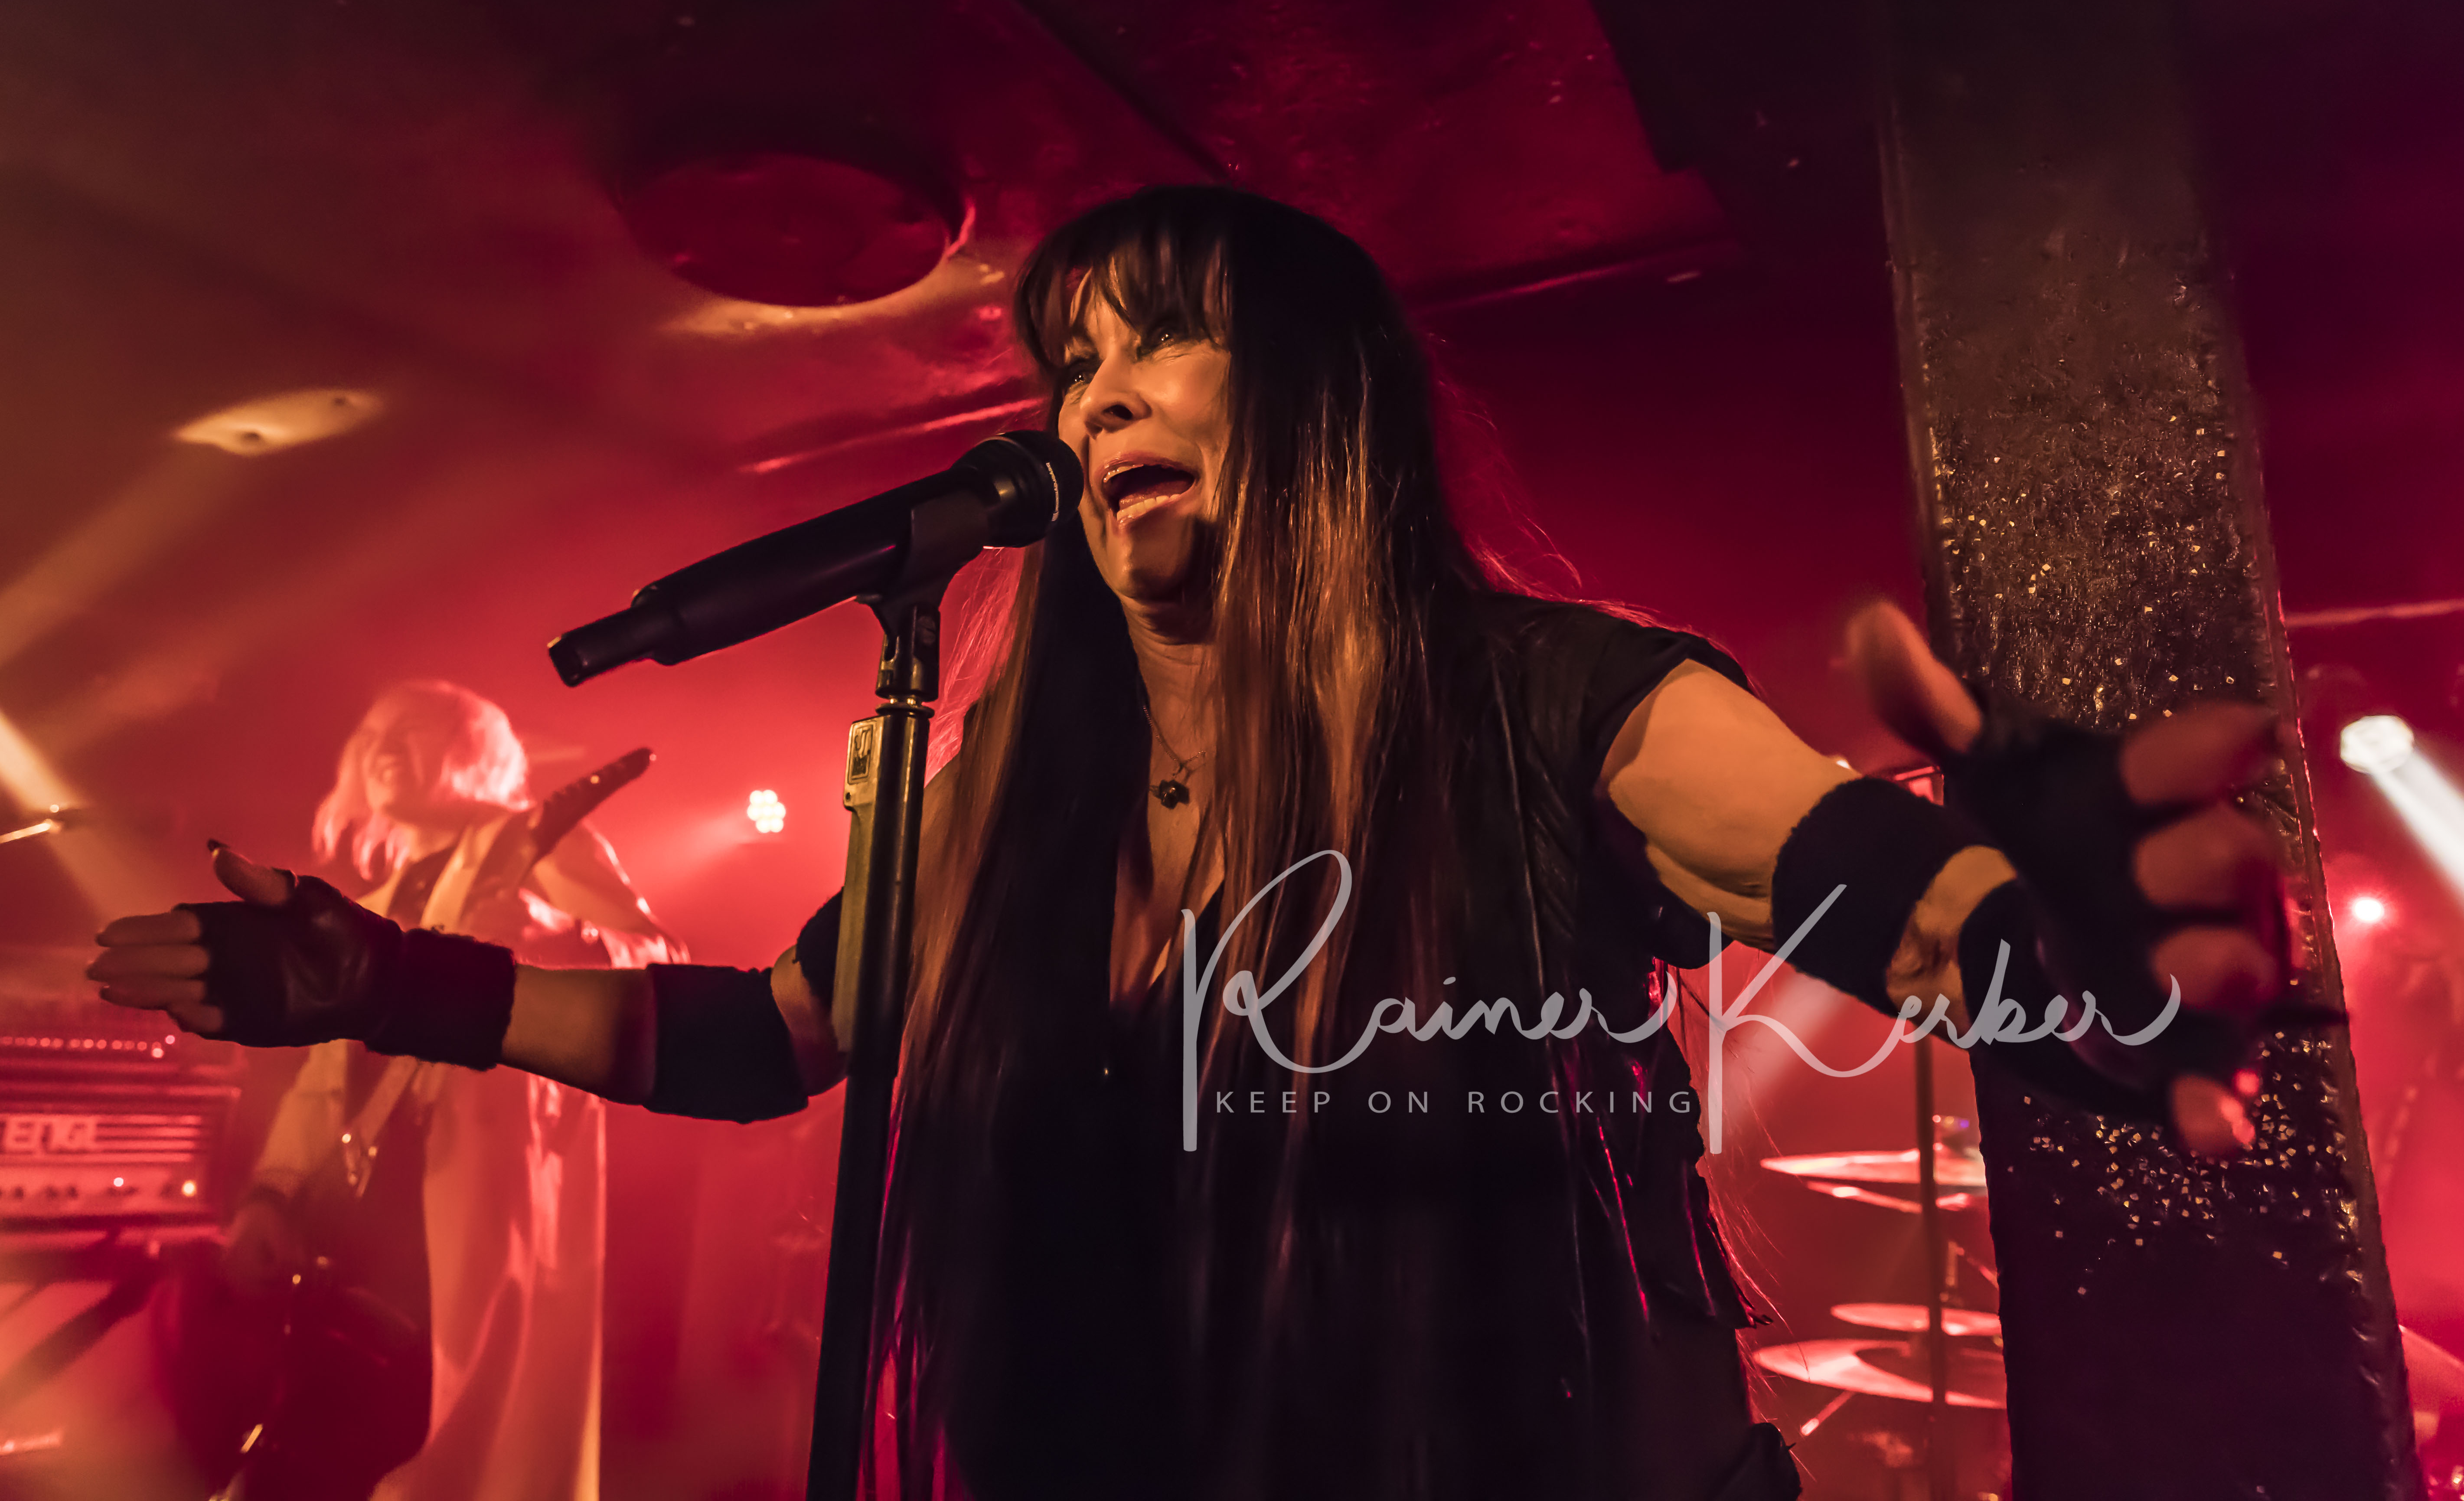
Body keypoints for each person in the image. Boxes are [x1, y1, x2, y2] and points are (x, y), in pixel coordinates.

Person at [93, 187, 2290, 1501]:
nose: (1099, 398)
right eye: (1077, 368)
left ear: (1319, 401)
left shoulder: (1555, 695)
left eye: (1165, 344)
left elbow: (1865, 884)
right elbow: (768, 1034)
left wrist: (2060, 935)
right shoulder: (1014, 790)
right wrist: (391, 981)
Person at [213, 680, 679, 1501]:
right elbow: (325, 1075)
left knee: (456, 1442)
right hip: (358, 1217)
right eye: (375, 733)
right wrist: (271, 1193)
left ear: (476, 748)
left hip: (474, 1200)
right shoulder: (371, 905)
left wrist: (561, 930)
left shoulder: (539, 847)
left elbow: (666, 964)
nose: (387, 746)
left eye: (417, 728)